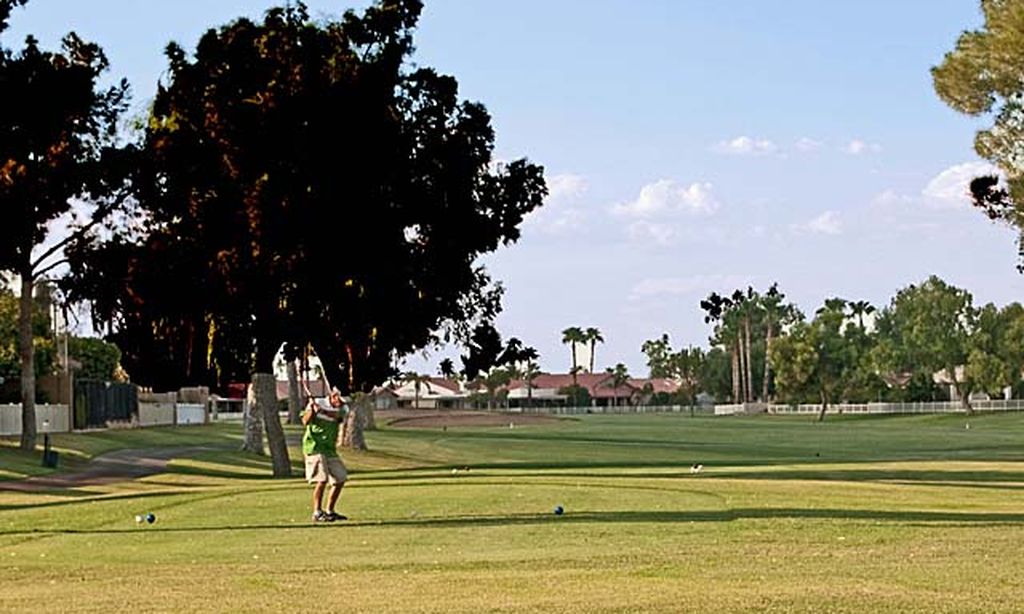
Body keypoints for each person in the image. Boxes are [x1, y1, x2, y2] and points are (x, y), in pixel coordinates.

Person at [302, 388, 350, 522]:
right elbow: (305, 421)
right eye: (339, 400)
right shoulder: (317, 402)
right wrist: (312, 410)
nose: (341, 404)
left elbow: (337, 416)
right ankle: (317, 512)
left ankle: (330, 511)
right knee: (321, 479)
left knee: (340, 478)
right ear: (333, 395)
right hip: (314, 446)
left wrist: (321, 411)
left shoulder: (344, 407)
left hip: (329, 449)